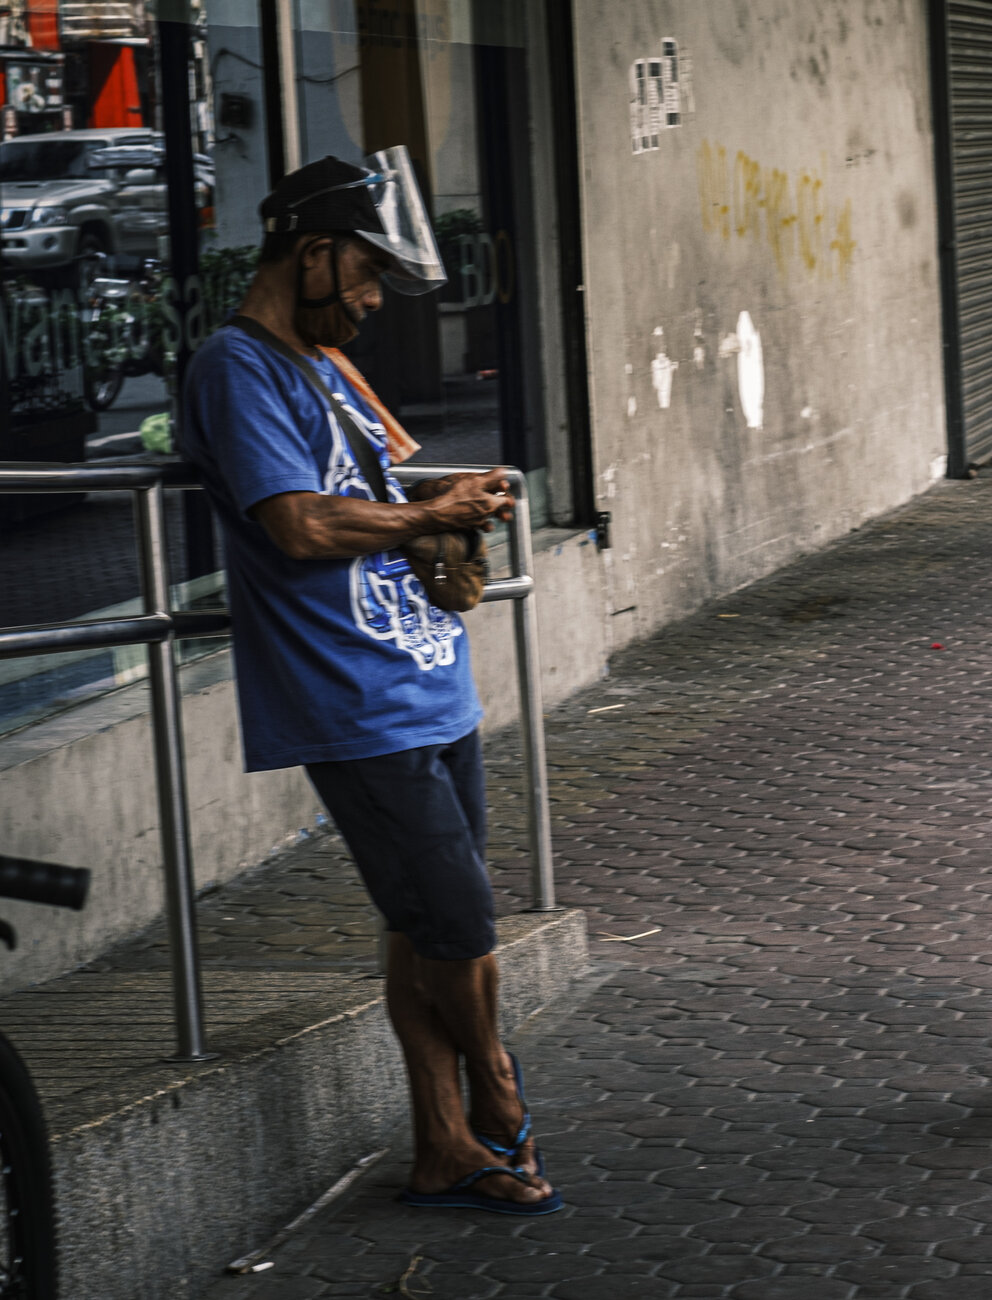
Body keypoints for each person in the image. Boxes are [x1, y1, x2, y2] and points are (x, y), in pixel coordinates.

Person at [178, 155, 560, 1216]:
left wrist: (451, 494)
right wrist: (432, 517)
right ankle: (495, 1085)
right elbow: (298, 524)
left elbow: (370, 491)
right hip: (350, 696)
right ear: (311, 253)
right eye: (363, 275)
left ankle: (442, 1143)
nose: (373, 299)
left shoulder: (329, 365)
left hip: (430, 681)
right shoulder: (237, 365)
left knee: (419, 923)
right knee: (461, 921)